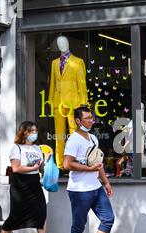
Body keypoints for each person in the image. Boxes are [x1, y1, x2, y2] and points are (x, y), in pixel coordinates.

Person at [63, 106, 115, 233]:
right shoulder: (73, 140)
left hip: (96, 187)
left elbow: (97, 163)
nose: (91, 121)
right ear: (78, 121)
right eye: (87, 118)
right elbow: (67, 164)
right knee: (79, 225)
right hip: (79, 190)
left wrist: (105, 182)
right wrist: (89, 169)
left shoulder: (93, 138)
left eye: (92, 118)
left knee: (108, 218)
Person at [0, 121, 58, 233]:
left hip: (34, 183)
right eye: (31, 131)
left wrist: (46, 162)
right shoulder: (16, 148)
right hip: (20, 185)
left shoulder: (37, 148)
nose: (34, 134)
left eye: (36, 131)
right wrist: (33, 167)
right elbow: (16, 168)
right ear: (24, 132)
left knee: (41, 212)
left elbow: (39, 168)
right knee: (15, 214)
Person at [49, 35, 88, 170]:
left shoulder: (78, 62)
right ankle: (60, 164)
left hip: (73, 102)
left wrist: (83, 103)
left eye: (64, 42)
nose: (62, 45)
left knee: (74, 133)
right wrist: (50, 100)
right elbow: (52, 83)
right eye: (59, 43)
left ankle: (74, 161)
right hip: (58, 102)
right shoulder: (54, 62)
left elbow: (82, 84)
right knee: (59, 134)